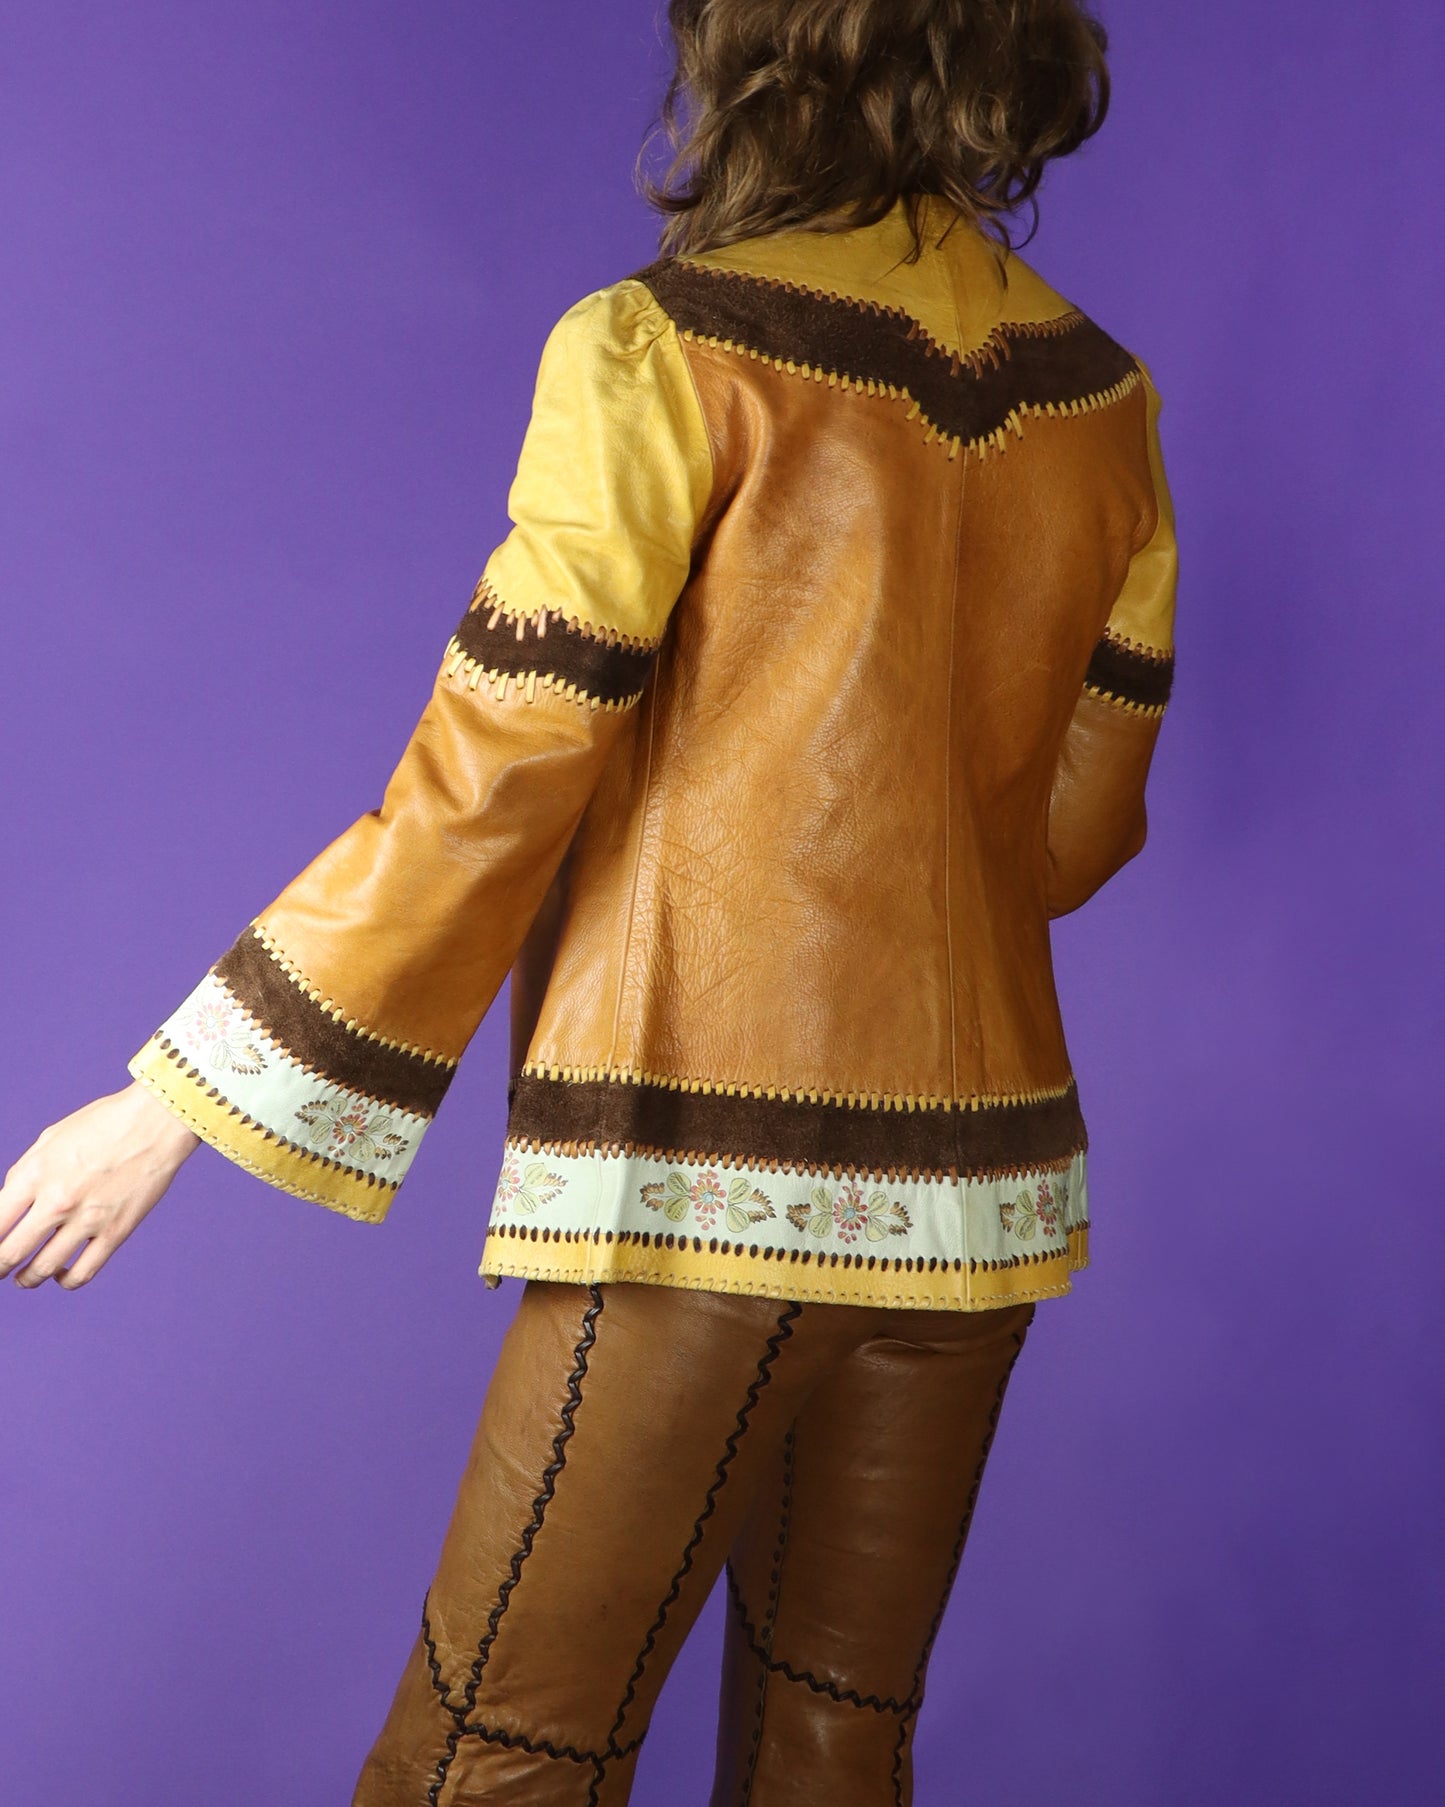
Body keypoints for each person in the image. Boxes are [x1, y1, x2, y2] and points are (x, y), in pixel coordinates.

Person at [0, 1, 1178, 1801]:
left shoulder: (659, 348)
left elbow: (501, 767)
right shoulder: (1106, 401)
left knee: (499, 1756)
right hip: (985, 1199)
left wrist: (172, 1104)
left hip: (704, 1175)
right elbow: (1077, 838)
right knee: (834, 1747)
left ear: (760, 58)